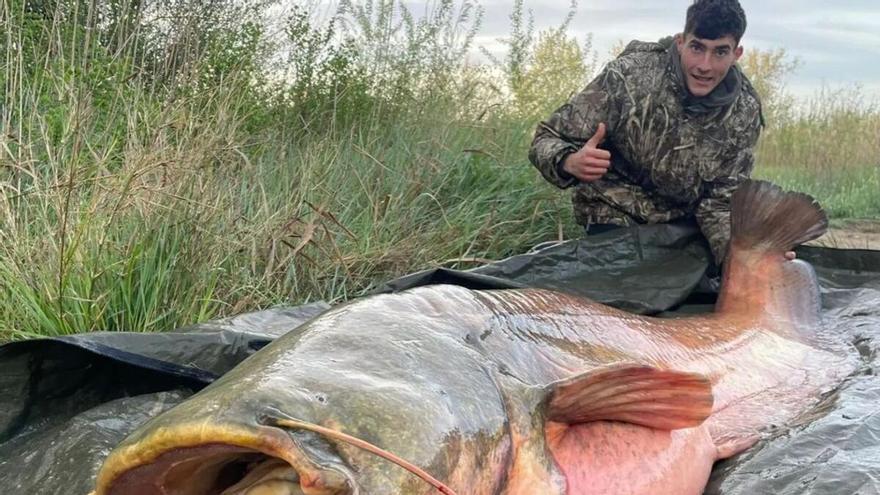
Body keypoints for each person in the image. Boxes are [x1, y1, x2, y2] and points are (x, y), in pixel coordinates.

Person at [529, 0, 769, 266]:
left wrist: (739, 261)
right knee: (619, 286)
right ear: (680, 42)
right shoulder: (629, 75)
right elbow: (545, 139)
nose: (705, 65)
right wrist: (569, 161)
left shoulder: (744, 110)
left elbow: (721, 204)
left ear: (737, 54)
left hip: (683, 229)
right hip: (614, 217)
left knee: (716, 280)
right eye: (697, 47)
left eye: (720, 52)